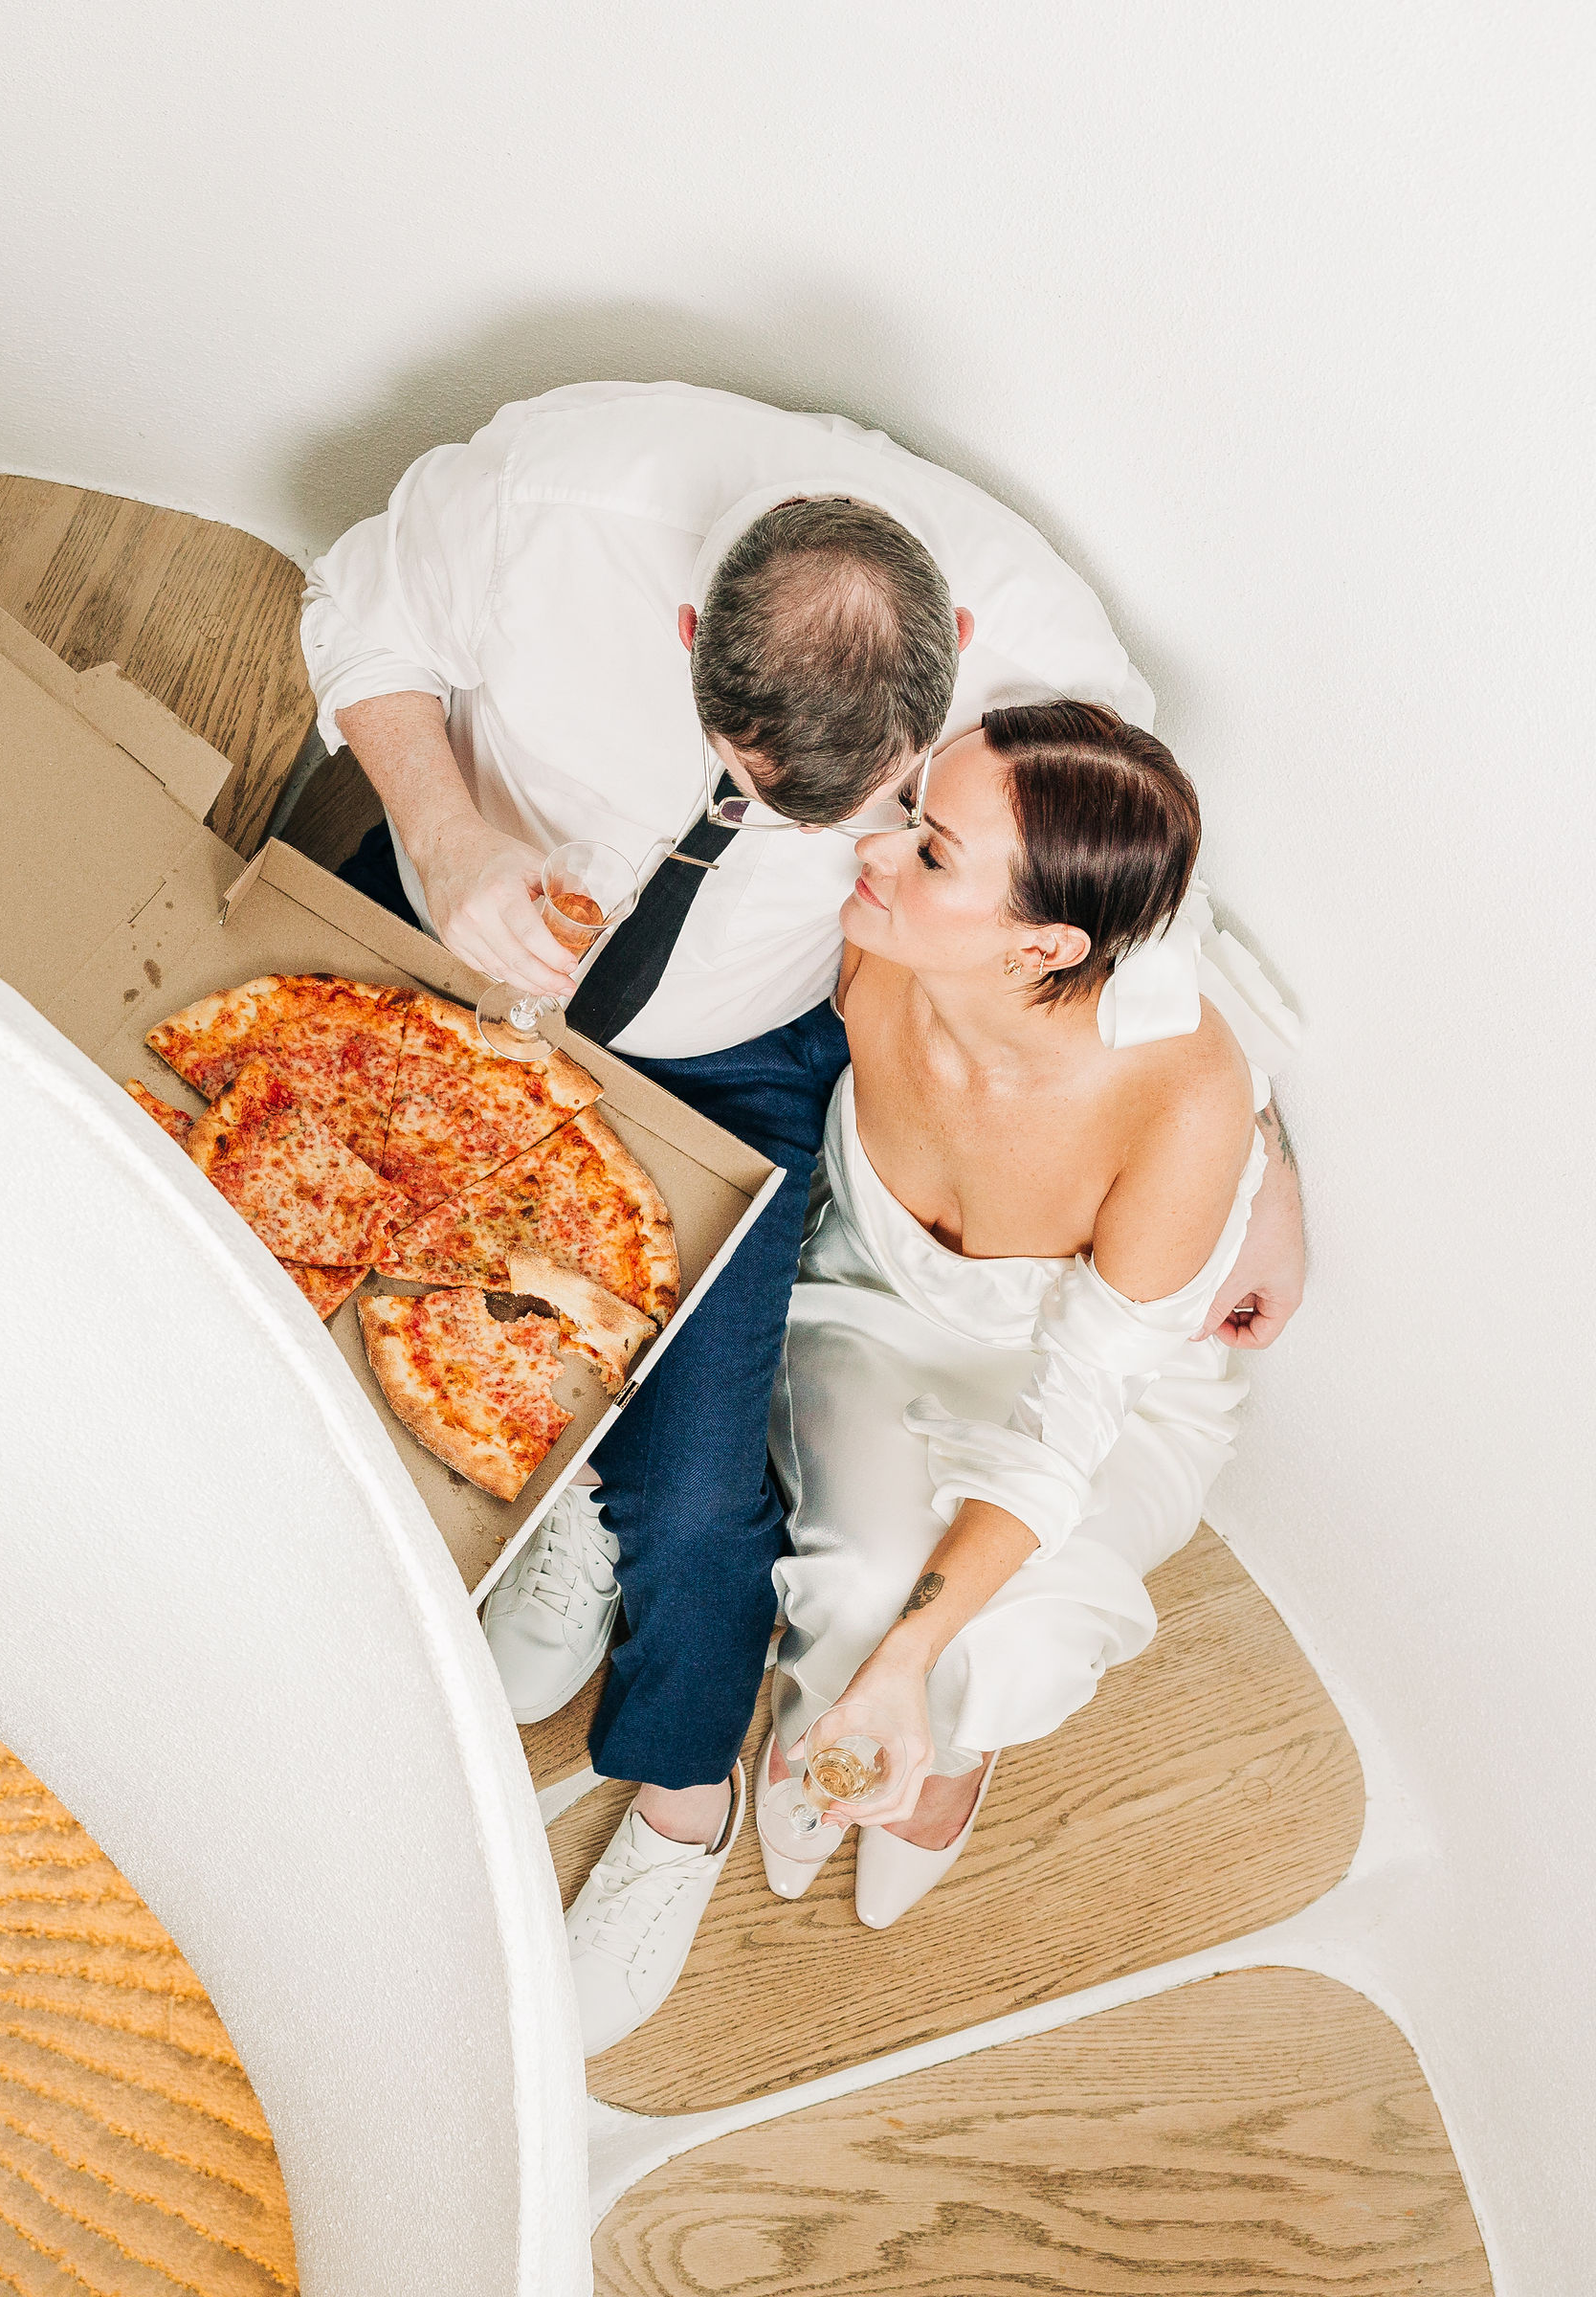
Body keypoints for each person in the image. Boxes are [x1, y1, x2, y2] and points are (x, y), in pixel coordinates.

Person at [296, 383, 1309, 2052]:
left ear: (963, 663)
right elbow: (356, 602)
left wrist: (1262, 1180)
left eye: (885, 819)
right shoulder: (549, 510)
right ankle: (575, 1507)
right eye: (766, 793)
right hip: (496, 969)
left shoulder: (1032, 715)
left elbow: (1143, 931)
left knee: (710, 1501)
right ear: (690, 629)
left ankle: (682, 1795)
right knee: (381, 1298)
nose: (844, 851)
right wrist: (443, 826)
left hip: (756, 1064)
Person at [759, 703, 1259, 1921]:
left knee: (1013, 1638)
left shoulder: (1180, 1102)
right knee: (860, 1578)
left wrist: (914, 1659)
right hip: (871, 1308)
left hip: (1098, 1399)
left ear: (1042, 948)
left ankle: (939, 1765)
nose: (877, 850)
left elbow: (1065, 1424)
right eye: (914, 814)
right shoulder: (878, 936)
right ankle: (834, 1707)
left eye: (930, 851)